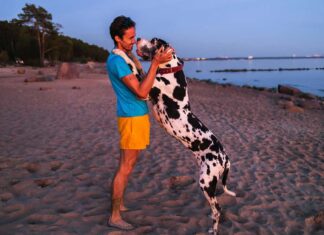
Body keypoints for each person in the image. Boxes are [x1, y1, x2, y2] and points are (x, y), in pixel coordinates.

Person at [106, 16, 173, 230]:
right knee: (125, 167)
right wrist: (155, 63)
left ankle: (121, 204)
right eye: (130, 38)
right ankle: (114, 217)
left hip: (136, 116)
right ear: (117, 38)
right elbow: (142, 90)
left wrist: (157, 61)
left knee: (126, 164)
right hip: (131, 118)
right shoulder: (117, 61)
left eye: (135, 36)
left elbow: (144, 77)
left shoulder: (126, 56)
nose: (134, 42)